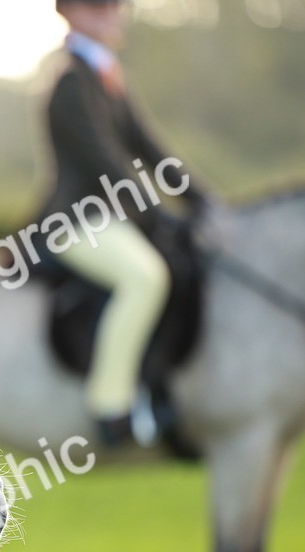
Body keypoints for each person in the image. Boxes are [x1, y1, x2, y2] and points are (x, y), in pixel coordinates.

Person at [39, 0, 207, 446]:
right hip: (74, 220)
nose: (113, 14)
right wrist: (159, 214)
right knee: (145, 277)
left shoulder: (107, 74)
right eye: (99, 7)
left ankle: (158, 389)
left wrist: (203, 201)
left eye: (116, 6)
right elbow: (107, 165)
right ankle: (110, 406)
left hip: (109, 217)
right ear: (71, 12)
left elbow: (151, 149)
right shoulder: (70, 81)